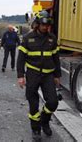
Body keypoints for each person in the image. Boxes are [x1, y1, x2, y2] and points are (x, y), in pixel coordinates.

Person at [17, 11, 60, 141]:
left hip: (48, 75)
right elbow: (21, 59)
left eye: (47, 25)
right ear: (37, 24)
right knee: (33, 103)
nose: (45, 27)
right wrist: (20, 76)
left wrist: (57, 75)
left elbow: (56, 58)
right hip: (33, 74)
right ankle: (36, 129)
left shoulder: (52, 38)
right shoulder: (27, 38)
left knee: (53, 102)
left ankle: (45, 121)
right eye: (42, 25)